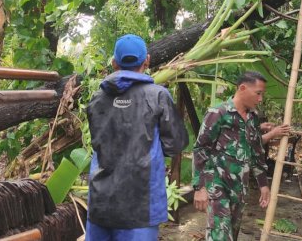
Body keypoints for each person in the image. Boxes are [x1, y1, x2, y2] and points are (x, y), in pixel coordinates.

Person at [86, 34, 189, 241]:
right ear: (147, 60)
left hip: (101, 202)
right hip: (141, 205)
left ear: (114, 63)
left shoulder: (97, 99)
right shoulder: (158, 96)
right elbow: (175, 144)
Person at [192, 71, 280, 241]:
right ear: (242, 88)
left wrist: (263, 184)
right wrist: (199, 187)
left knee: (231, 235)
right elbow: (200, 149)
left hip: (239, 190)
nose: (260, 99)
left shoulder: (253, 118)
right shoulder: (218, 113)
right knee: (220, 237)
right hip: (217, 187)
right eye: (258, 93)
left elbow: (256, 151)